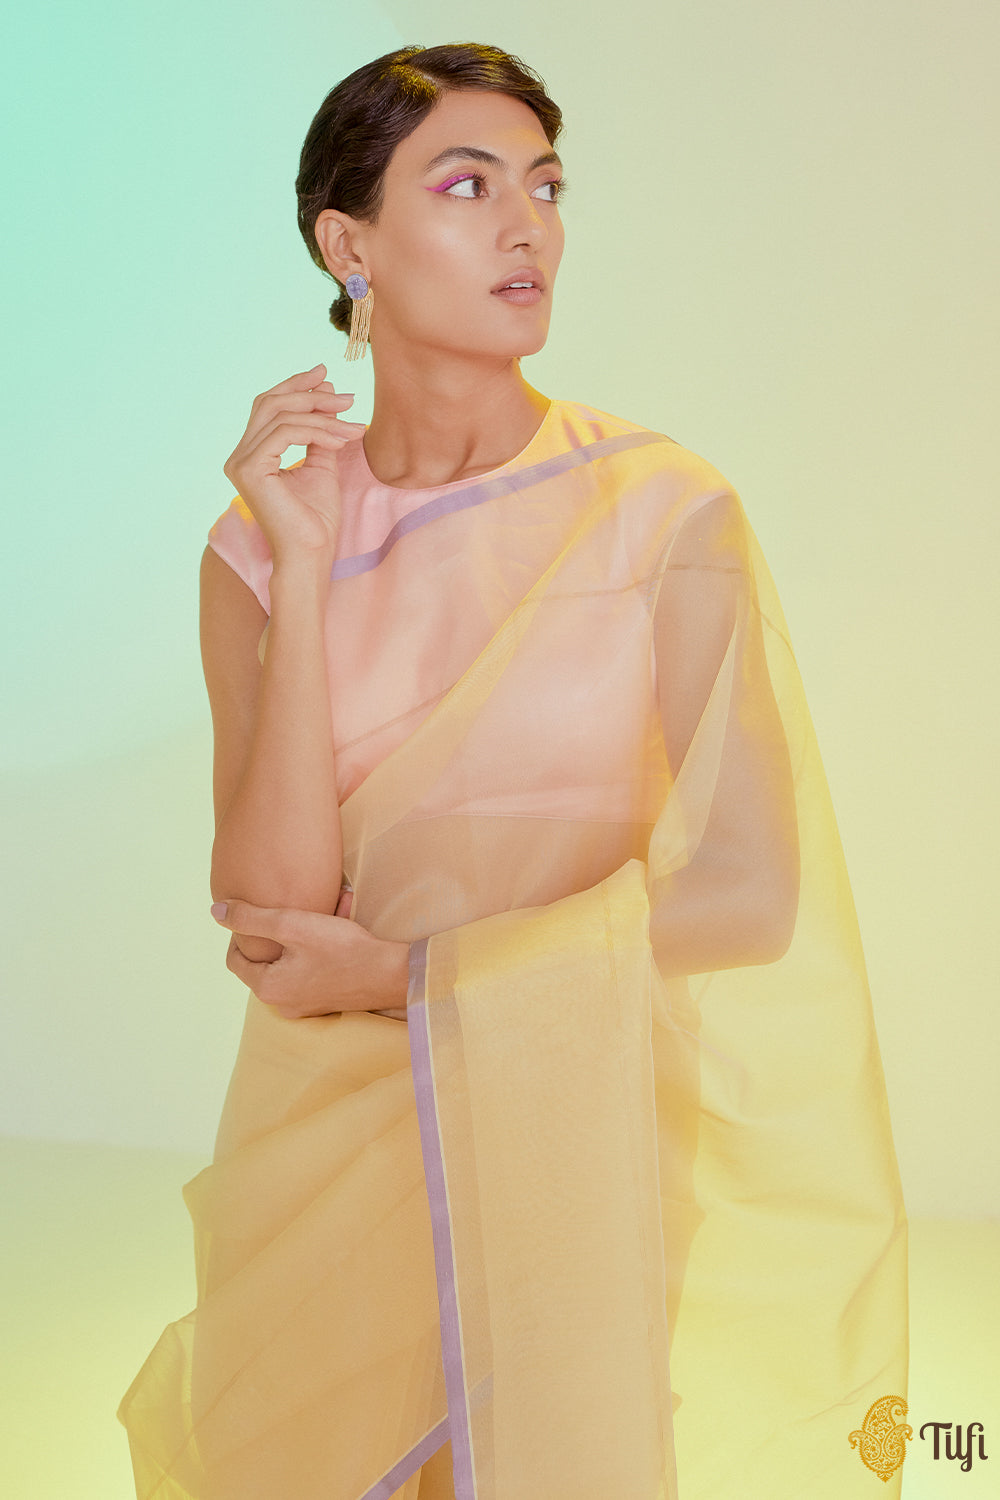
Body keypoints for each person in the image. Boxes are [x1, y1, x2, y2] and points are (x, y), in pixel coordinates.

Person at [118, 42, 909, 1500]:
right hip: (323, 1144)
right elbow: (273, 912)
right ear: (349, 244)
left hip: (577, 1124)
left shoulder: (658, 511)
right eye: (466, 186)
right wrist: (306, 573)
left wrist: (410, 973)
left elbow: (750, 894)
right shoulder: (258, 548)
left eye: (544, 187)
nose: (526, 225)